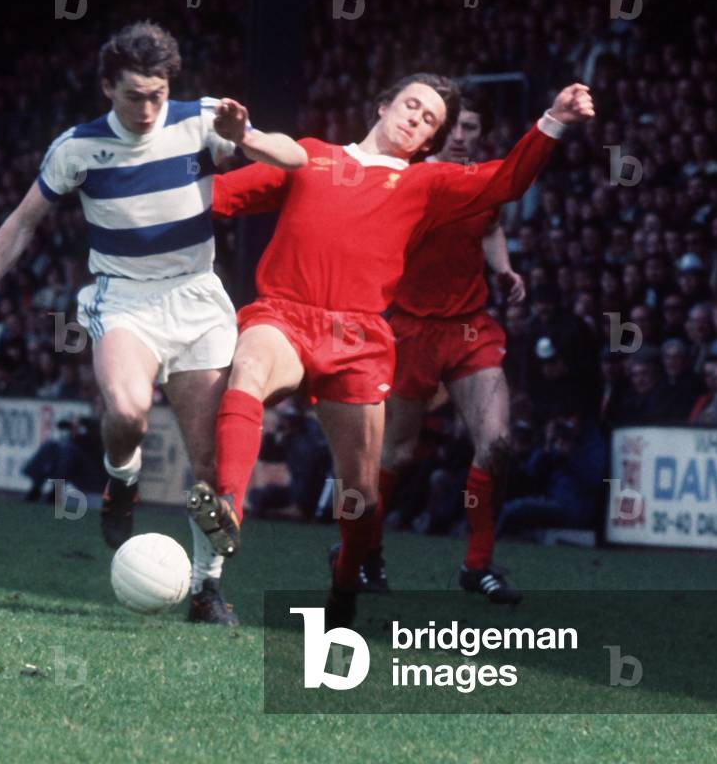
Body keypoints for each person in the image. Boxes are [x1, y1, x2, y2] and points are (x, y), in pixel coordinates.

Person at [0, 21, 306, 626]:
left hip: (195, 298)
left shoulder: (203, 118)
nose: (147, 107)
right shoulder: (77, 149)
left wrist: (248, 140)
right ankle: (121, 479)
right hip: (124, 298)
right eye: (134, 95)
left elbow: (295, 160)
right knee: (129, 410)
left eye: (157, 94)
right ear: (108, 87)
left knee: (210, 464)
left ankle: (206, 589)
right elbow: (23, 222)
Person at [203, 75, 593, 625]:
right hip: (286, 313)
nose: (416, 118)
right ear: (384, 105)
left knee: (360, 493)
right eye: (411, 105)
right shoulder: (309, 156)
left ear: (430, 141)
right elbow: (218, 197)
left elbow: (506, 181)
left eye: (430, 119)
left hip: (360, 341)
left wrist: (552, 120)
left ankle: (346, 582)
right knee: (250, 363)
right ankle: (228, 510)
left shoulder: (426, 184)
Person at [378, 84, 529, 604]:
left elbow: (490, 227)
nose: (463, 136)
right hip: (411, 329)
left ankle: (478, 565)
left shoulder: (481, 180)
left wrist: (503, 269)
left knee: (499, 443)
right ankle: (362, 552)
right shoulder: (409, 179)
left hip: (470, 326)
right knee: (396, 454)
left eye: (472, 129)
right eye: (457, 127)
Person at [496, 412, 605, 537]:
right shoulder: (560, 442)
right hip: (552, 500)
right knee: (502, 507)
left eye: (569, 420)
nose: (566, 424)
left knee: (513, 510)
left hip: (574, 508)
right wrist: (547, 447)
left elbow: (594, 480)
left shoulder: (592, 445)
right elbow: (531, 472)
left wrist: (570, 456)